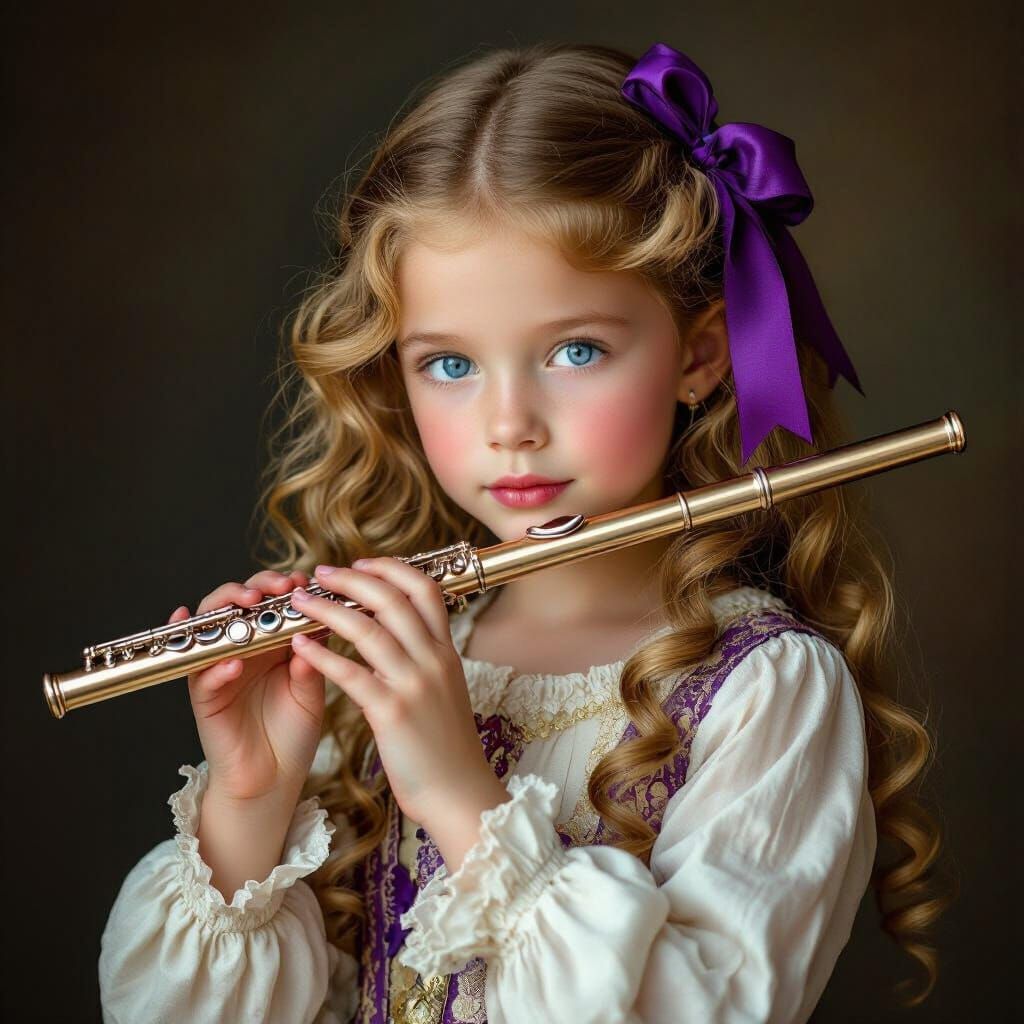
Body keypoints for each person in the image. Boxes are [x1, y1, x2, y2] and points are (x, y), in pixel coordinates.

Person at [98, 40, 949, 1024]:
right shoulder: (393, 656)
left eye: (575, 349)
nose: (509, 422)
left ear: (701, 354)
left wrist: (464, 797)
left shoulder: (765, 689)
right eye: (449, 365)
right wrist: (251, 801)